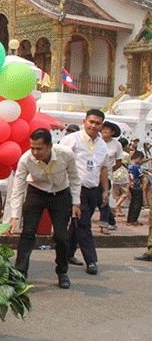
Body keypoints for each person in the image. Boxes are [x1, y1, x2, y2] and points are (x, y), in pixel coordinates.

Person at [8, 128, 81, 288]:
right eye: (32, 147)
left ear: (49, 146)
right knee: (27, 233)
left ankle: (62, 272)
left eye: (39, 148)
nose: (34, 152)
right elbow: (18, 188)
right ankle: (20, 273)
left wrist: (75, 202)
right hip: (36, 193)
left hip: (60, 194)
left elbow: (75, 177)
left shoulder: (66, 154)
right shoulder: (25, 159)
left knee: (62, 237)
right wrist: (14, 216)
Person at [58, 109, 110, 275]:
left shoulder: (102, 145)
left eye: (98, 123)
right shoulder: (71, 139)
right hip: (75, 189)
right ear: (84, 121)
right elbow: (58, 161)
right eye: (91, 122)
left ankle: (68, 254)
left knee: (77, 224)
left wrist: (105, 191)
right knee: (84, 224)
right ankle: (91, 260)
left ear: (102, 126)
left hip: (93, 190)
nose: (94, 126)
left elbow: (103, 169)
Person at [98, 121, 122, 233]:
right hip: (92, 175)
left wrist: (110, 171)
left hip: (106, 176)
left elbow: (119, 162)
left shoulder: (116, 145)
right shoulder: (96, 141)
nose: (104, 131)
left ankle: (104, 224)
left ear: (112, 132)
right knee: (96, 199)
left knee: (103, 199)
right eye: (103, 129)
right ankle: (111, 221)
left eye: (107, 129)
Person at [127, 151, 144, 226]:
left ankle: (129, 219)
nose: (141, 161)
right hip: (137, 187)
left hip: (131, 186)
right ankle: (134, 220)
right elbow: (141, 176)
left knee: (132, 203)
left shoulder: (130, 165)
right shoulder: (136, 166)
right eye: (141, 159)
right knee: (138, 203)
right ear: (138, 158)